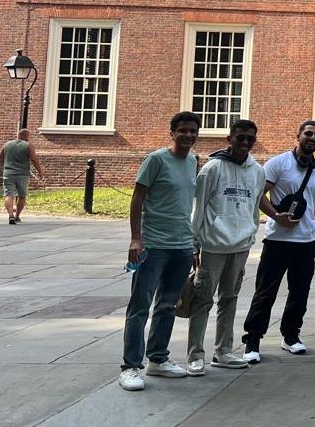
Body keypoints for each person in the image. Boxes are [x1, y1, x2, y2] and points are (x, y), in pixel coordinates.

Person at [118, 111, 201, 391]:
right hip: (153, 245)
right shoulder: (156, 160)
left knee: (167, 305)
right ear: (172, 132)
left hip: (181, 245)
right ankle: (130, 366)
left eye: (193, 131)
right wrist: (135, 239)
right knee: (140, 306)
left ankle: (158, 359)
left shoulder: (192, 161)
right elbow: (138, 198)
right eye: (183, 130)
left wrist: (192, 245)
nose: (188, 135)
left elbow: (184, 205)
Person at [242, 120, 315, 362]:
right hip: (278, 241)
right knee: (265, 291)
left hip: (304, 243)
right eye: (308, 134)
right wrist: (275, 216)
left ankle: (291, 336)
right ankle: (252, 340)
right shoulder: (278, 164)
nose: (312, 138)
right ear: (298, 135)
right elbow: (258, 193)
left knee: (300, 292)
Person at [185, 118, 262, 377]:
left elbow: (253, 207)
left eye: (250, 138)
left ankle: (224, 351)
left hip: (239, 246)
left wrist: (251, 235)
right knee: (202, 300)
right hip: (213, 246)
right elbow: (198, 208)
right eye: (240, 137)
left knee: (229, 299)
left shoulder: (257, 171)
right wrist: (194, 244)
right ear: (229, 139)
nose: (245, 142)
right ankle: (195, 355)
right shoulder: (212, 168)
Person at [0, 128, 45, 224]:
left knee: (8, 194)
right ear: (25, 136)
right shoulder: (28, 145)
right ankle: (17, 216)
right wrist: (40, 172)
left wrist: (4, 168)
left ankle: (10, 215)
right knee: (22, 195)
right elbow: (34, 160)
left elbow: (0, 159)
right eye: (28, 136)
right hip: (23, 174)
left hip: (8, 173)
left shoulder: (7, 144)